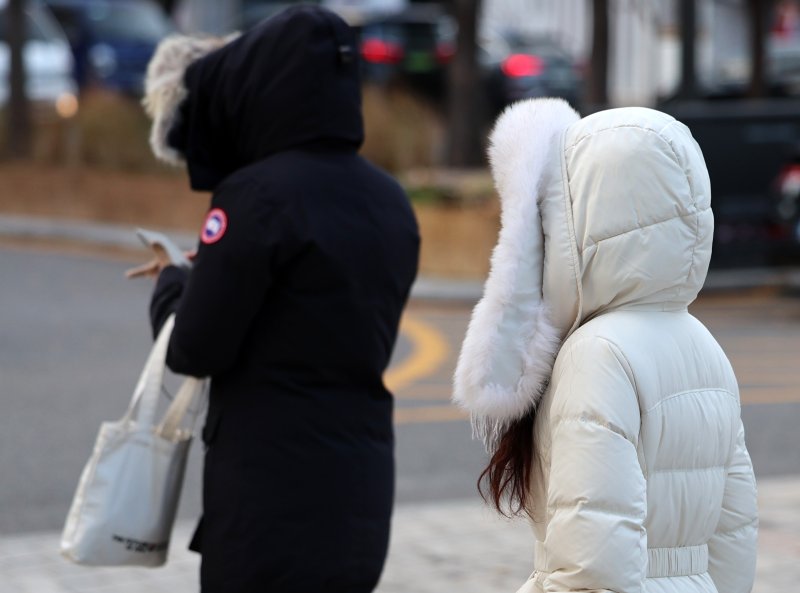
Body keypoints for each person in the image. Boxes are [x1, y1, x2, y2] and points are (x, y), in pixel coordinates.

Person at [131, 6, 420, 592]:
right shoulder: (389, 200)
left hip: (268, 498)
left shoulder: (255, 195)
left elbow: (194, 348)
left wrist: (173, 282)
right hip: (360, 491)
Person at [453, 99, 758, 593]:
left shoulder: (597, 355)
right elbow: (735, 537)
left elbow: (592, 570)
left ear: (582, 220)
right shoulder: (703, 346)